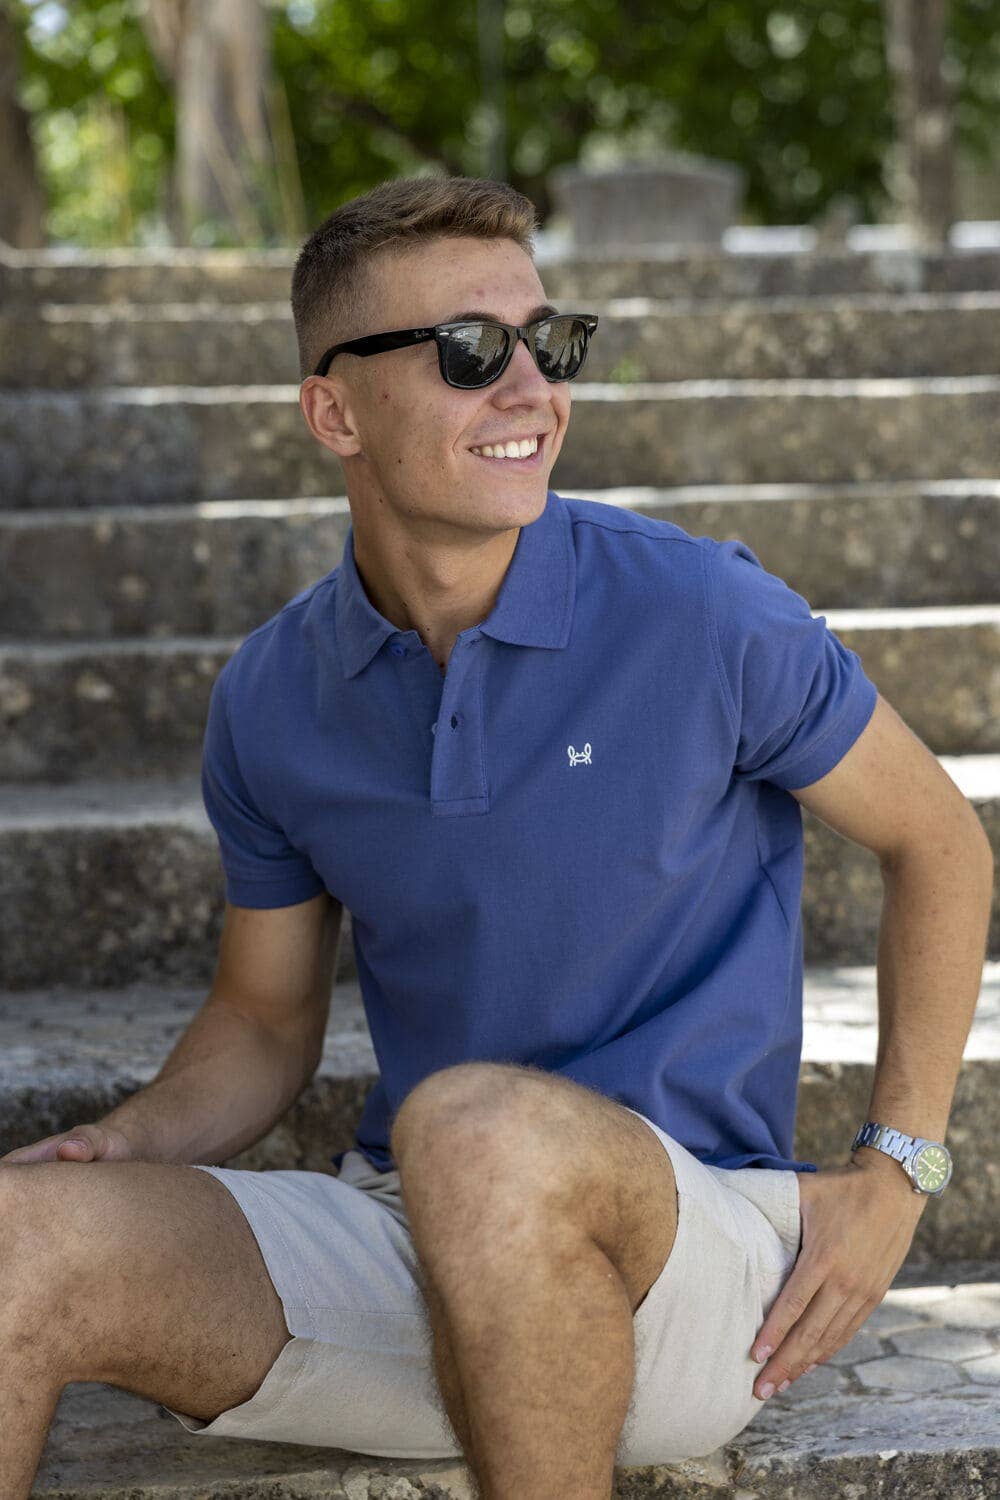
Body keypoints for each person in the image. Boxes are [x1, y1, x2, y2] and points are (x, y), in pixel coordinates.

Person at [3, 175, 991, 1500]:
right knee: (20, 1236)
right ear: (334, 412)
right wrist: (128, 1144)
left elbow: (941, 841)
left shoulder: (703, 612)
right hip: (415, 1236)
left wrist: (898, 1170)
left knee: (478, 1129)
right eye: (471, 351)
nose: (532, 390)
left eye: (551, 342)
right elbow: (263, 1020)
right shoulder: (274, 694)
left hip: (697, 1252)